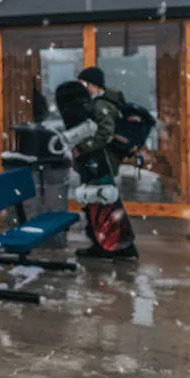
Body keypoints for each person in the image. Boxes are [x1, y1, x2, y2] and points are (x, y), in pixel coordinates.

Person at [73, 65, 138, 260]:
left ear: (92, 84)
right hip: (101, 160)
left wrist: (82, 148)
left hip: (101, 161)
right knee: (105, 203)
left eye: (82, 83)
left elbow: (105, 134)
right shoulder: (102, 102)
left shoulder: (101, 105)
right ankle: (117, 245)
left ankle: (109, 245)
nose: (80, 87)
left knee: (101, 203)